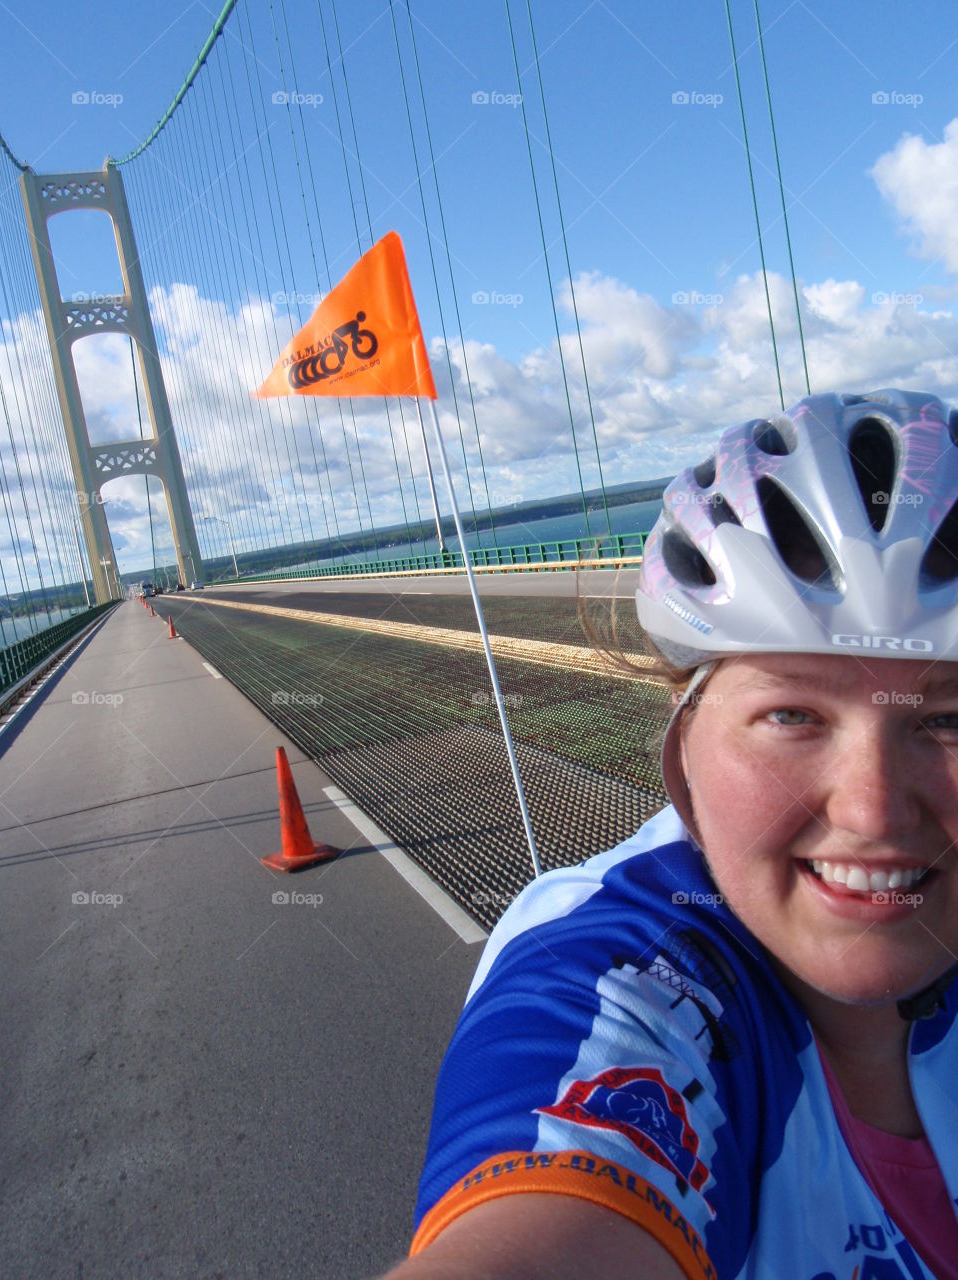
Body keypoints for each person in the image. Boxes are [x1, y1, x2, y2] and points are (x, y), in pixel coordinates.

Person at [382, 389, 958, 1280]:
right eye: (794, 713)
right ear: (681, 747)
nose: (874, 812)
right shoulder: (629, 986)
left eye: (948, 722)